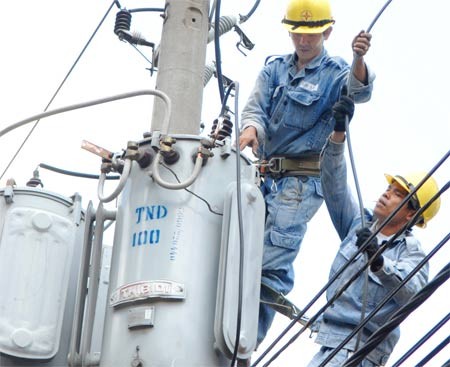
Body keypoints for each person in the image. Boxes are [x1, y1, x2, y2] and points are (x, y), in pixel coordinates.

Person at [238, 0, 375, 345]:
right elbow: (256, 107)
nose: (303, 41)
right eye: (298, 33)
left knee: (267, 264)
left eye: (311, 35)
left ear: (327, 31)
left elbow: (359, 91)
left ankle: (242, 342)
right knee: (241, 251)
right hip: (265, 176)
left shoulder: (334, 71)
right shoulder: (275, 70)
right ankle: (234, 335)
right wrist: (251, 129)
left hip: (301, 183)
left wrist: (359, 58)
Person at [306, 95, 442, 366]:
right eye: (388, 189)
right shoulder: (358, 225)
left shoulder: (411, 253)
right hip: (329, 341)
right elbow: (333, 185)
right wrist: (338, 134)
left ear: (411, 213)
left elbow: (412, 292)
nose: (385, 195)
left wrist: (379, 263)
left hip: (363, 352)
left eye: (396, 194)